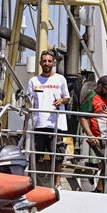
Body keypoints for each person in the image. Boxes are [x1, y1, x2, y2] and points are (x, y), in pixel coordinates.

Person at [27, 50, 71, 187]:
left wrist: (61, 101)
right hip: (38, 124)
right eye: (44, 61)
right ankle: (31, 182)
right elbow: (28, 101)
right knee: (35, 155)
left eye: (49, 61)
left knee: (57, 155)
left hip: (55, 125)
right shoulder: (33, 80)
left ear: (54, 63)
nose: (47, 63)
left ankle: (57, 183)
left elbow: (67, 98)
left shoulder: (60, 79)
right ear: (40, 63)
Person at [78, 75, 107, 191]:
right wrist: (90, 136)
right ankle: (99, 190)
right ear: (100, 86)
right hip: (100, 138)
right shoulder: (91, 98)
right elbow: (83, 117)